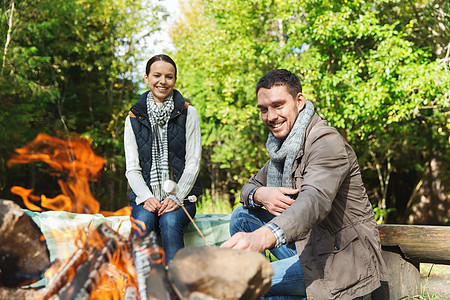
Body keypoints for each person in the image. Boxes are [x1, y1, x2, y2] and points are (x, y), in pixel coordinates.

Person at [221, 69, 389, 299]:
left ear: (299, 101)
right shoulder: (283, 149)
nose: (270, 116)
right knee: (242, 215)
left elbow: (314, 202)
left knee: (247, 281)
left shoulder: (326, 142)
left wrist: (262, 237)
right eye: (263, 109)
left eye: (278, 105)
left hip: (339, 256)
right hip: (306, 243)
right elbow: (248, 188)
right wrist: (262, 194)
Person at [124, 54, 202, 264]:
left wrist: (176, 197)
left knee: (169, 222)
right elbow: (132, 168)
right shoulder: (133, 117)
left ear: (174, 80)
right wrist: (146, 197)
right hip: (144, 197)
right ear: (147, 78)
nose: (163, 81)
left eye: (169, 76)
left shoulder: (189, 113)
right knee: (143, 222)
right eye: (157, 75)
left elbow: (193, 162)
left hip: (182, 197)